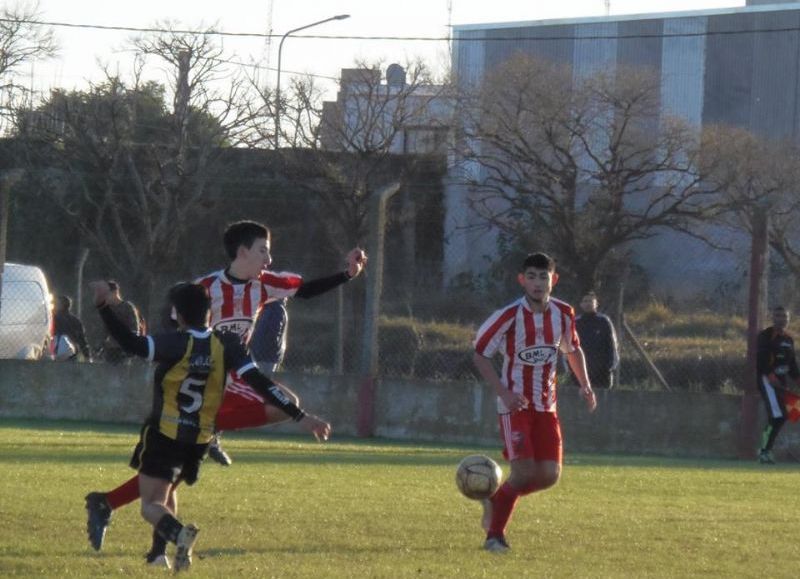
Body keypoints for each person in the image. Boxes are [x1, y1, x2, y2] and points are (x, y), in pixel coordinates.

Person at [85, 220, 366, 552]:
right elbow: (174, 323)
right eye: (263, 250)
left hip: (230, 380)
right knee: (275, 407)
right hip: (200, 382)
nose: (269, 259)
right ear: (242, 252)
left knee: (174, 467)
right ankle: (142, 527)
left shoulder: (265, 285)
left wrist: (347, 274)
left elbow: (303, 289)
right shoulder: (205, 288)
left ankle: (120, 512)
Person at [89, 279, 331, 570]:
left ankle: (177, 534)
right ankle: (157, 556)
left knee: (151, 505)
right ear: (209, 311)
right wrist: (301, 416)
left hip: (165, 433)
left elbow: (131, 343)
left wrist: (103, 306)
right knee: (168, 491)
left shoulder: (175, 342)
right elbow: (260, 382)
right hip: (199, 440)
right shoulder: (227, 344)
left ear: (177, 313)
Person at [472, 252, 597, 553]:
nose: (538, 282)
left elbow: (572, 350)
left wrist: (586, 385)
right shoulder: (508, 315)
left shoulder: (564, 313)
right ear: (522, 280)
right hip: (515, 407)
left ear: (553, 280)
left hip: (547, 407)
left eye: (544, 277)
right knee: (524, 472)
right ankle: (494, 537)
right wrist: (503, 392)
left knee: (549, 476)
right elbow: (480, 353)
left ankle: (495, 499)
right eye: (532, 276)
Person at [756, 305, 800, 464]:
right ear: (773, 318)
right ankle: (763, 452)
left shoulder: (788, 339)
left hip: (781, 382)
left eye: (785, 317)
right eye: (779, 316)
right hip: (768, 381)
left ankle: (766, 450)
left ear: (789, 319)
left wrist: (797, 380)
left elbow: (792, 365)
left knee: (782, 417)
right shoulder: (766, 336)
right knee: (778, 415)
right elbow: (761, 361)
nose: (782, 319)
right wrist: (771, 377)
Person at [574, 291, 619, 389]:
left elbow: (612, 344)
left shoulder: (604, 321)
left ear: (596, 304)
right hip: (580, 371)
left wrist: (610, 366)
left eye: (590, 301)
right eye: (585, 301)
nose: (588, 304)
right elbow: (569, 346)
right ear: (581, 304)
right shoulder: (575, 322)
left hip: (602, 371)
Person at [98, 281, 144, 364]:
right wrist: (101, 346)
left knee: (123, 374)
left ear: (115, 293)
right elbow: (105, 330)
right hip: (110, 350)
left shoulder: (127, 307)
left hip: (124, 350)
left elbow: (134, 329)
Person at [52, 295, 92, 361]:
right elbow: (82, 340)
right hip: (71, 351)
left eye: (56, 303)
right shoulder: (75, 320)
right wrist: (87, 356)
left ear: (61, 305)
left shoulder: (54, 319)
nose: (54, 305)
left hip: (55, 350)